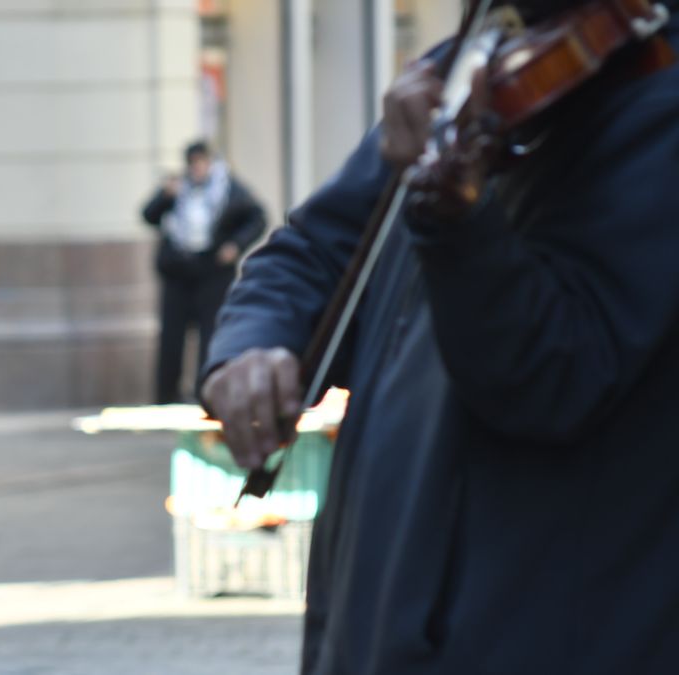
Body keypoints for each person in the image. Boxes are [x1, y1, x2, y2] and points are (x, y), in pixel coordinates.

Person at [200, 2, 679, 672]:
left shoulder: (653, 102)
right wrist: (254, 341)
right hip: (379, 618)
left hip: (535, 631)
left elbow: (556, 372)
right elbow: (313, 250)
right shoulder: (465, 69)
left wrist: (455, 219)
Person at [141, 140, 265, 403]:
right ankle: (167, 395)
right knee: (172, 336)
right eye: (193, 163)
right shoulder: (177, 187)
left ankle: (206, 391)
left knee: (211, 334)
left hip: (213, 271)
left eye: (202, 162)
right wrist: (165, 196)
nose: (197, 169)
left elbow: (257, 218)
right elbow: (148, 215)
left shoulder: (229, 188)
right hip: (179, 270)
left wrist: (235, 245)